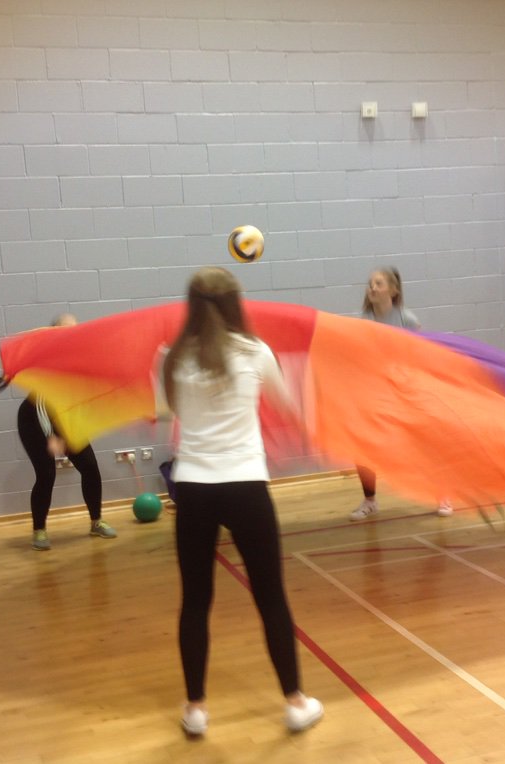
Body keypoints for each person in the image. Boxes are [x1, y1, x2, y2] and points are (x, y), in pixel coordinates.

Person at [162, 267, 323, 736]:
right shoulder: (256, 352)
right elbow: (291, 409)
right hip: (246, 487)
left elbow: (166, 411)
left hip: (192, 488)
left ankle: (195, 710)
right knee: (271, 597)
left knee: (195, 602)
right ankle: (295, 702)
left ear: (191, 304)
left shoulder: (172, 358)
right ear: (236, 303)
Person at [349, 267, 454, 520]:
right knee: (362, 447)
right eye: (370, 284)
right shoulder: (362, 322)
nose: (372, 288)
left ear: (393, 291)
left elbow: (419, 357)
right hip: (374, 394)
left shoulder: (407, 319)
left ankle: (443, 494)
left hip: (404, 391)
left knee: (425, 444)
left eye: (378, 283)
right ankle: (370, 500)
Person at [17, 313, 116, 551]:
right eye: (64, 330)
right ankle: (39, 531)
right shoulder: (49, 358)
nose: (71, 334)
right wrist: (51, 436)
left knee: (90, 467)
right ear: (53, 333)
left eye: (74, 329)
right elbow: (42, 403)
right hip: (35, 420)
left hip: (65, 418)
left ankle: (96, 522)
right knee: (46, 474)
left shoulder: (80, 358)